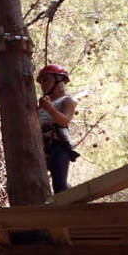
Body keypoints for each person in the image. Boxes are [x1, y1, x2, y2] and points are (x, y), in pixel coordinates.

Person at [37, 64, 79, 193]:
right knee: (36, 182)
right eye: (41, 81)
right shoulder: (42, 104)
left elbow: (64, 121)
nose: (43, 84)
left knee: (59, 185)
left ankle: (69, 209)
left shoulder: (67, 100)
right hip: (40, 146)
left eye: (46, 80)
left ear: (59, 80)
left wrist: (49, 108)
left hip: (58, 145)